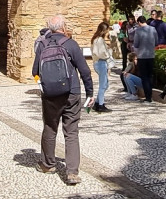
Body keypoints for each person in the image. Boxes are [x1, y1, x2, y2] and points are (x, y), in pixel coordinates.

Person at [32, 15, 94, 185]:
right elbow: (85, 71)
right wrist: (90, 93)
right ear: (63, 26)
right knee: (71, 131)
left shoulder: (42, 44)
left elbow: (35, 71)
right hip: (72, 92)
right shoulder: (70, 44)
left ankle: (48, 164)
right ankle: (72, 172)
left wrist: (43, 85)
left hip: (51, 94)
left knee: (50, 128)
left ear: (49, 28)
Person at [132, 15, 158, 103]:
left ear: (139, 22)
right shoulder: (153, 29)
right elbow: (156, 42)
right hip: (151, 55)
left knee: (144, 76)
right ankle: (150, 95)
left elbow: (136, 44)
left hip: (142, 56)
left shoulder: (138, 31)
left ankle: (148, 97)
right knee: (150, 75)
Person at [90, 22, 111, 113]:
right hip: (101, 62)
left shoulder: (96, 39)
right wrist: (108, 55)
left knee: (105, 84)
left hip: (98, 62)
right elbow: (102, 53)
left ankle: (98, 103)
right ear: (103, 30)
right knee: (103, 85)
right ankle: (100, 105)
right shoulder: (99, 40)